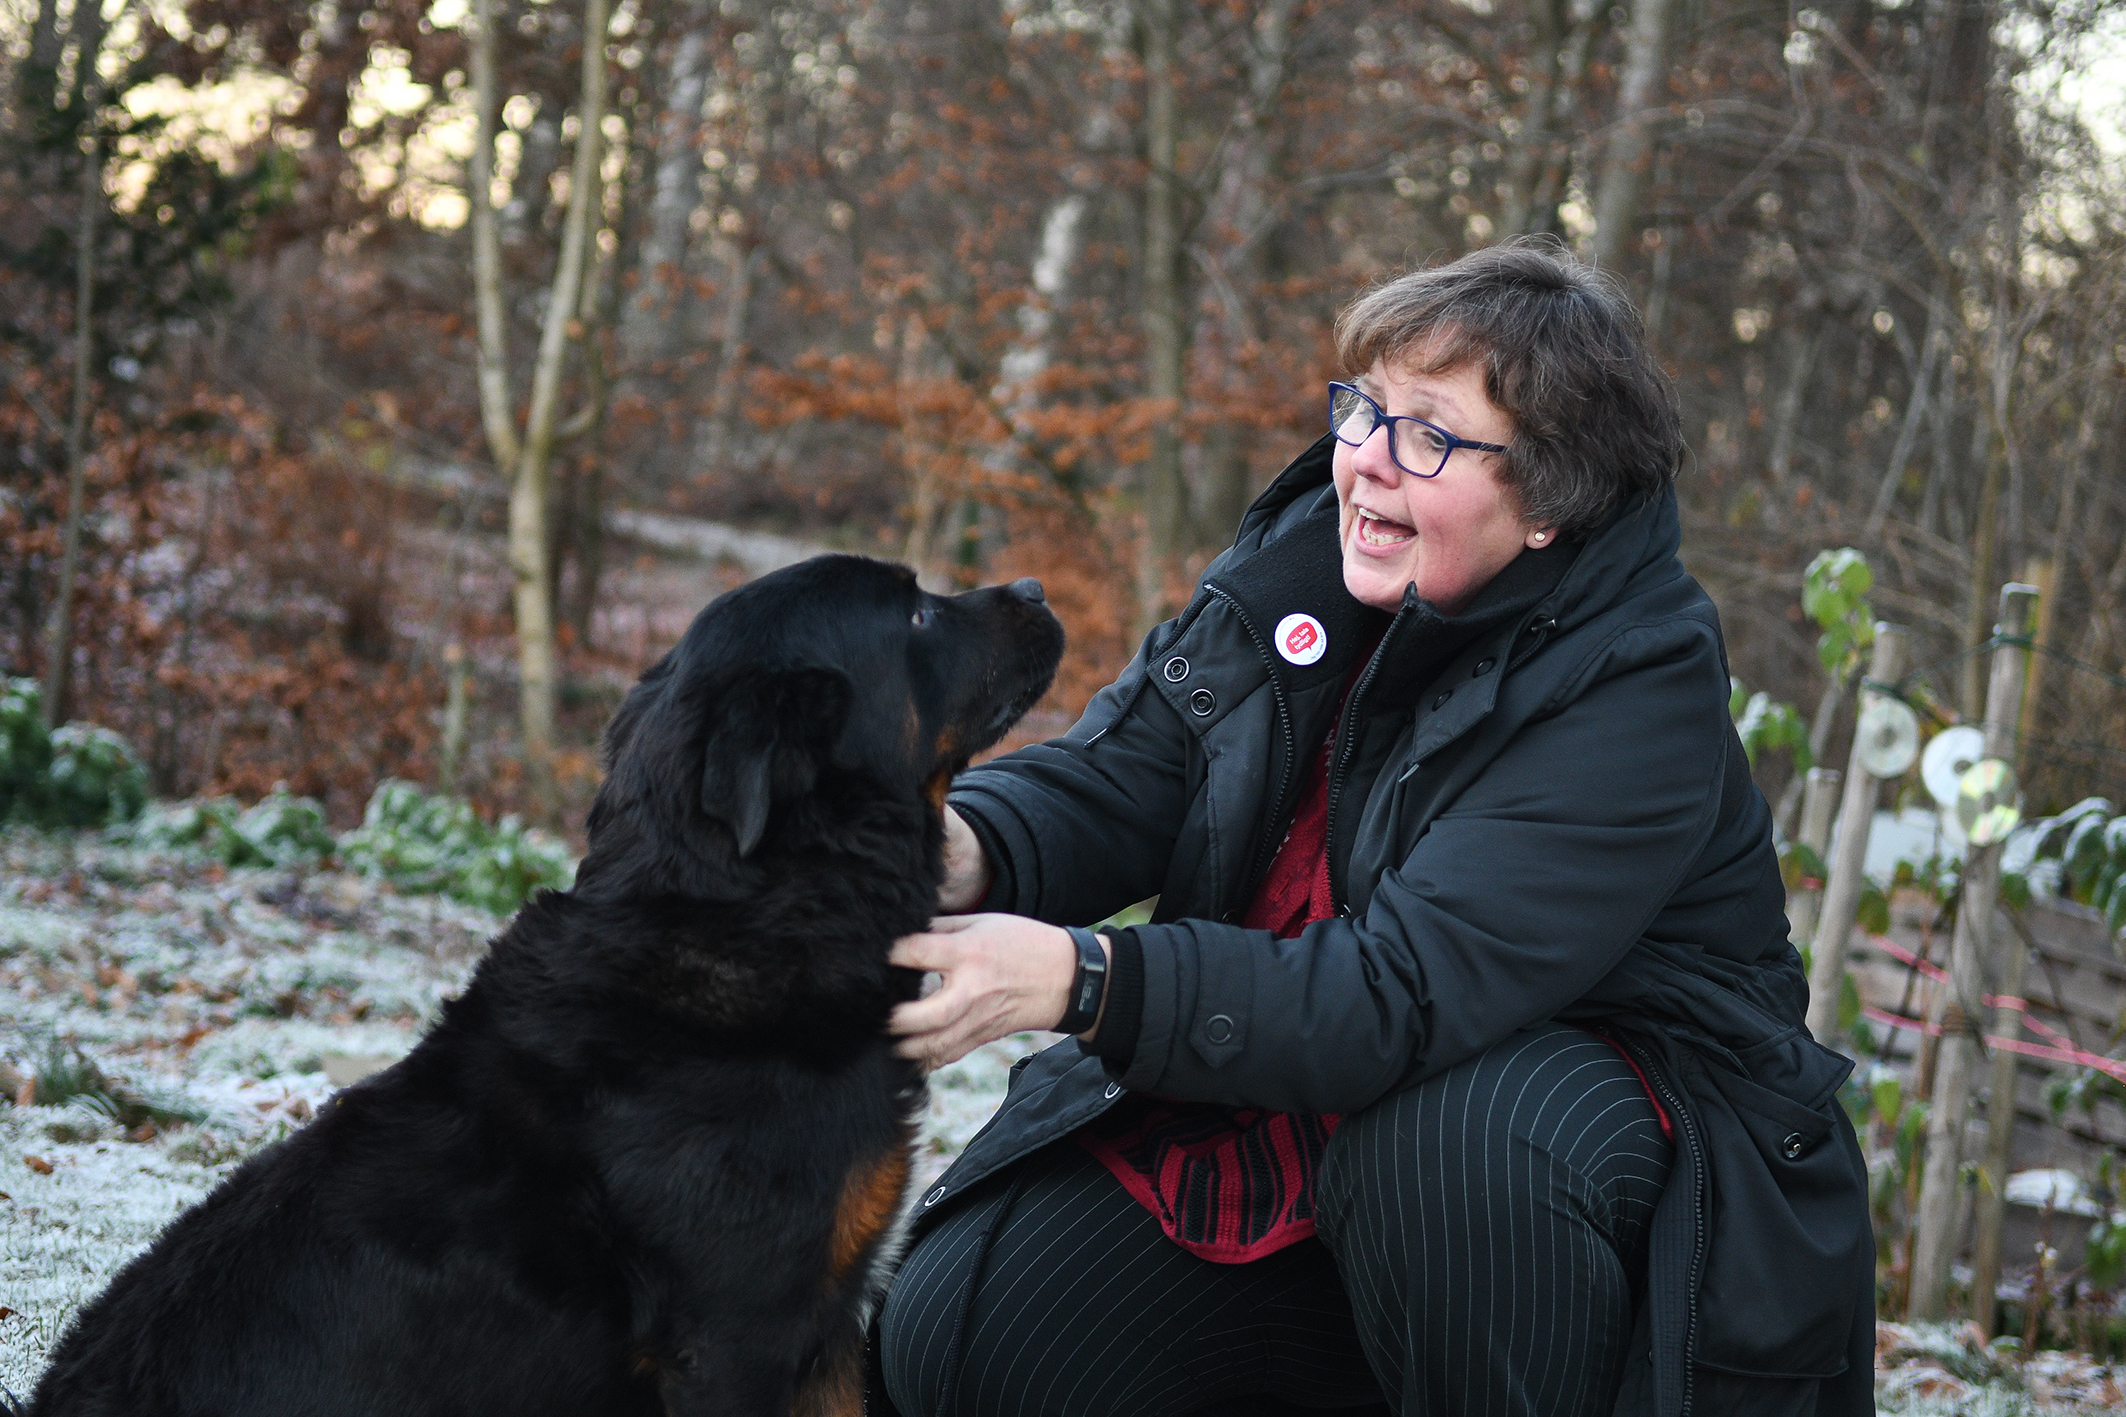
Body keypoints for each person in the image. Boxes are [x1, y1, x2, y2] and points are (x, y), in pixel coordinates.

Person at [876, 239, 1874, 1417]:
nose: (1364, 465)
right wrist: (943, 846)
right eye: (1364, 409)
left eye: (1430, 434)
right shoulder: (1305, 563)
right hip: (1310, 1102)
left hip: (1574, 1168)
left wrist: (1086, 977)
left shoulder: (1633, 680)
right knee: (966, 1331)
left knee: (1454, 1146)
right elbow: (1121, 776)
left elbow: (1402, 989)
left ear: (1549, 499)